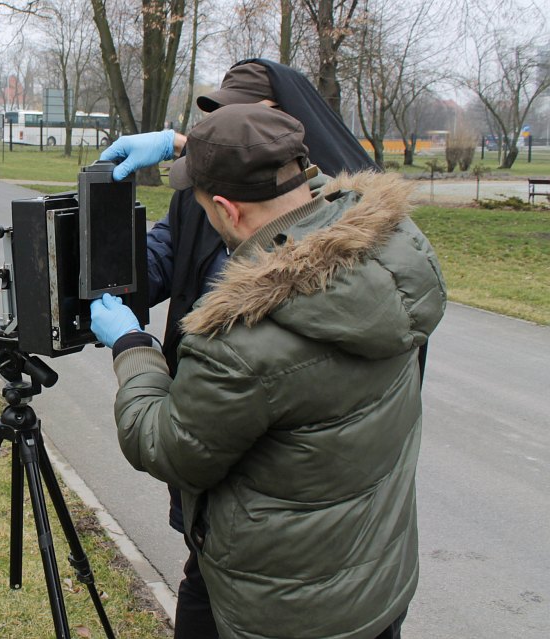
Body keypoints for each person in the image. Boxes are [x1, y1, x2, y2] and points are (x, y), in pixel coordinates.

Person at [89, 105, 446, 638]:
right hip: (375, 584)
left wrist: (132, 344)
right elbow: (302, 178)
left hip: (281, 608)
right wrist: (183, 145)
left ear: (229, 212)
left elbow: (166, 444)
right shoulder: (389, 249)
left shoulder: (240, 340)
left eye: (208, 207)